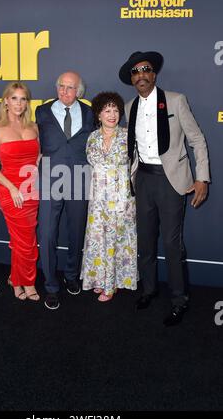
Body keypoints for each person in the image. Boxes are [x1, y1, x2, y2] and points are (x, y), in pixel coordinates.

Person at [119, 51, 210, 326]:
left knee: (171, 244)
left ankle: (179, 300)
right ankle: (148, 289)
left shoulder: (176, 100)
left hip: (171, 181)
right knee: (145, 242)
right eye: (135, 72)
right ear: (132, 79)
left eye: (145, 69)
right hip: (143, 179)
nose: (141, 75)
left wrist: (202, 178)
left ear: (154, 73)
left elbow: (197, 140)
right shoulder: (128, 107)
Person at [36, 71, 94, 310]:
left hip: (80, 178)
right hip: (50, 177)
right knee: (47, 233)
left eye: (70, 87)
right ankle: (50, 285)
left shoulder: (91, 113)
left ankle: (71, 275)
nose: (64, 91)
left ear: (79, 90)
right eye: (61, 86)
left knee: (76, 232)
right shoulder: (42, 111)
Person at [0, 82, 40, 301]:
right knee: (25, 240)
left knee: (23, 239)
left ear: (27, 102)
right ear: (6, 101)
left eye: (23, 98)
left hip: (31, 190)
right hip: (10, 190)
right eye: (14, 98)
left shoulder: (33, 127)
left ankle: (15, 278)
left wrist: (34, 180)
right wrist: (12, 187)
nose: (19, 103)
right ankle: (27, 282)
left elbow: (38, 156)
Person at [80, 92, 138, 301]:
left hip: (121, 197)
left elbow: (135, 167)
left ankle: (111, 285)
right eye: (107, 110)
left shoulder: (127, 135)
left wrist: (128, 195)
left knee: (116, 239)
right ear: (98, 114)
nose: (112, 115)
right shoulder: (92, 137)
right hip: (98, 199)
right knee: (98, 239)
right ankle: (100, 279)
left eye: (115, 110)